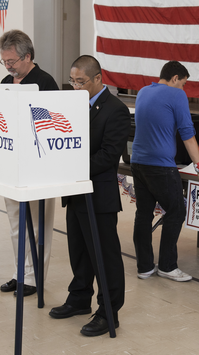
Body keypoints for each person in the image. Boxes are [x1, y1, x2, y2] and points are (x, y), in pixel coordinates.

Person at [49, 55, 129, 337]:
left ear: (98, 78)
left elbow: (108, 156)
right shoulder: (74, 105)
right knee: (79, 250)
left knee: (104, 255)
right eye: (72, 81)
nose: (75, 87)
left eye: (80, 82)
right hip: (75, 192)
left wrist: (71, 165)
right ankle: (79, 297)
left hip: (98, 194)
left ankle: (109, 311)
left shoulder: (116, 110)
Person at [131, 61, 199, 283]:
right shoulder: (176, 95)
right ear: (175, 78)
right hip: (160, 166)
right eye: (183, 83)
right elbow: (188, 134)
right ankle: (168, 266)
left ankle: (145, 266)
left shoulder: (142, 92)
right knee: (177, 211)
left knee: (143, 214)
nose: (183, 89)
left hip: (138, 162)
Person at [0, 30, 59, 297]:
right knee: (15, 224)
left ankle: (34, 278)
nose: (8, 66)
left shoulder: (45, 82)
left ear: (28, 56)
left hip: (38, 166)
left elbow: (52, 128)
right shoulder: (5, 81)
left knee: (37, 226)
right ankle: (19, 272)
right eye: (4, 61)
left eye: (12, 61)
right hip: (11, 164)